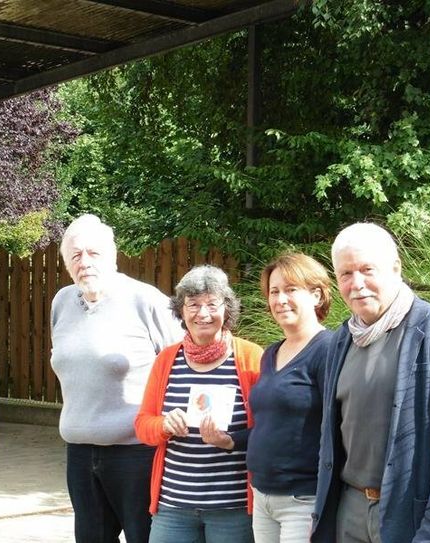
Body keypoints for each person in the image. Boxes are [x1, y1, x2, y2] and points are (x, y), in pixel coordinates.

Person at [311, 223, 430, 543]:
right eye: (346, 274)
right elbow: (330, 437)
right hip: (350, 511)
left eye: (367, 269)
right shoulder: (342, 340)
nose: (357, 284)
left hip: (411, 520)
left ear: (395, 268)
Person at [50, 214, 182, 543]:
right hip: (79, 454)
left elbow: (181, 365)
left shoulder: (146, 300)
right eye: (75, 255)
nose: (85, 262)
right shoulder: (62, 302)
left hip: (136, 454)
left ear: (112, 254)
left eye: (93, 253)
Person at [134, 265, 262, 543]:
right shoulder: (167, 360)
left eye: (212, 304)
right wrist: (163, 424)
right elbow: (142, 424)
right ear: (181, 311)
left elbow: (268, 429)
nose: (202, 314)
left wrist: (230, 440)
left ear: (227, 309)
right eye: (193, 305)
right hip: (173, 506)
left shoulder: (251, 358)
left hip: (234, 508)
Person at [247, 253, 334, 542]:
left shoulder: (329, 350)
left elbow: (338, 427)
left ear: (316, 295)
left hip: (302, 500)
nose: (280, 299)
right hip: (263, 496)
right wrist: (228, 440)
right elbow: (270, 424)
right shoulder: (271, 352)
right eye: (274, 292)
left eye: (290, 289)